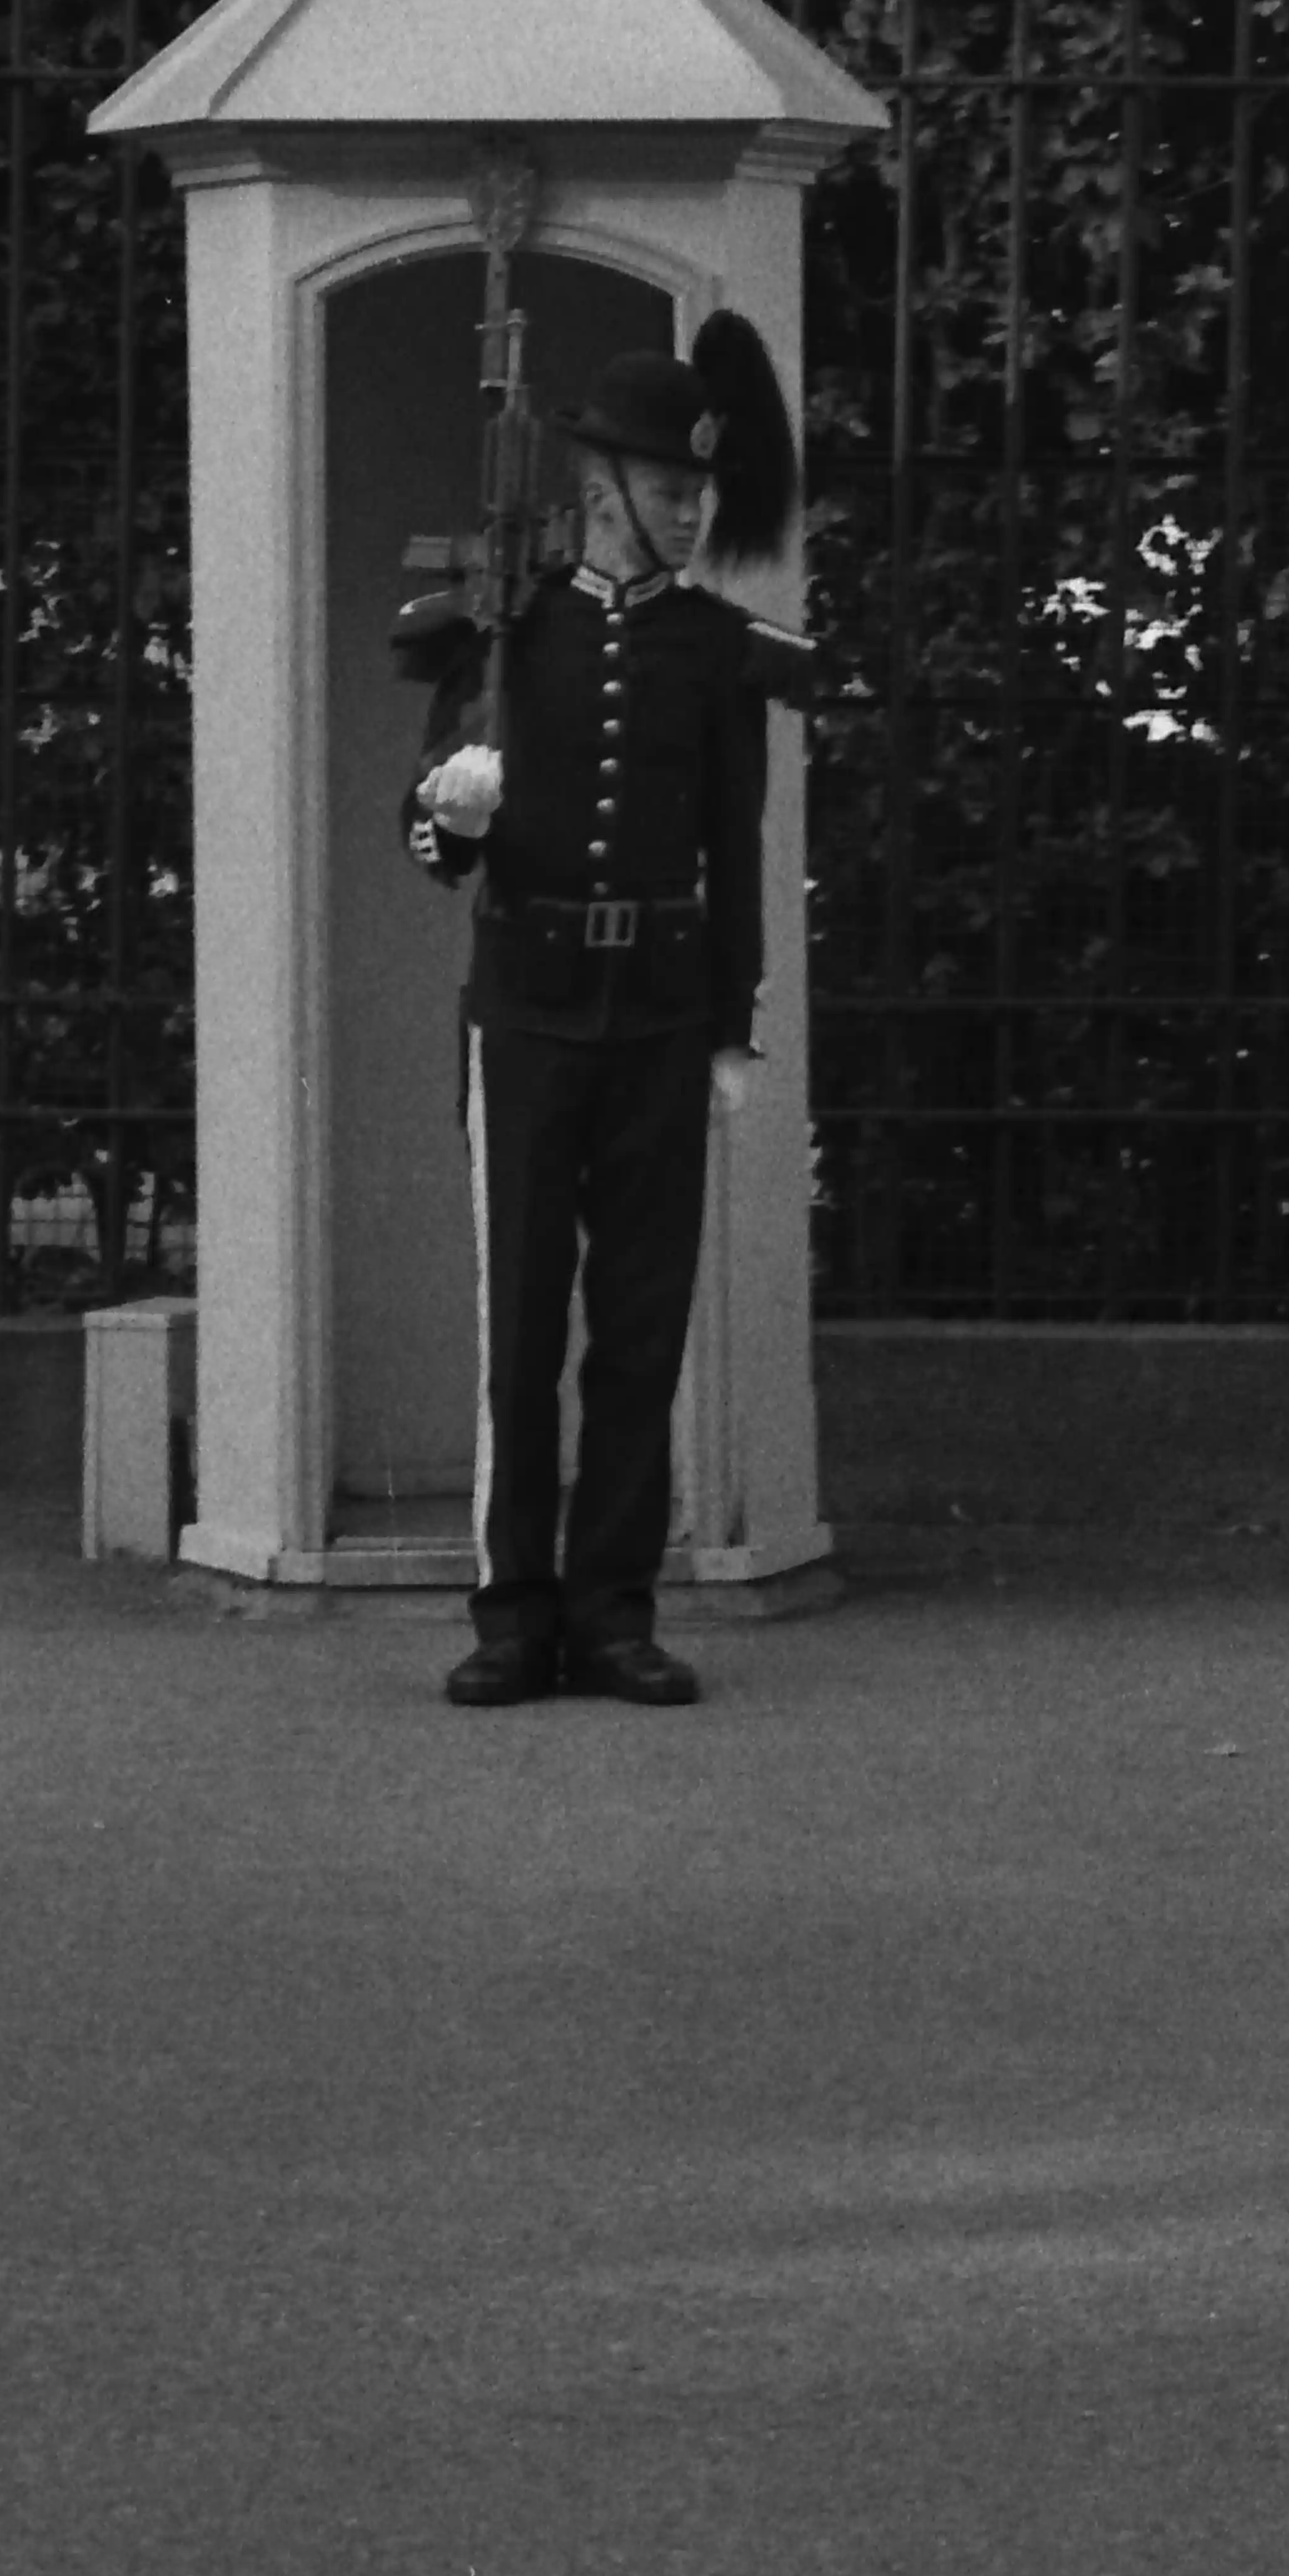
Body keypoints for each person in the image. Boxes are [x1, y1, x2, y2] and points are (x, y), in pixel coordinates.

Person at [397, 314, 809, 1708]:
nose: (693, 508)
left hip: (656, 1015)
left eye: (699, 487)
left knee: (640, 1328)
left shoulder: (711, 651)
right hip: (523, 1009)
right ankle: (512, 1613)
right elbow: (433, 832)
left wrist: (734, 1020)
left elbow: (737, 841)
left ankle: (613, 1607)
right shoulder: (504, 627)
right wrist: (447, 819)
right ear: (602, 491)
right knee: (521, 1330)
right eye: (668, 485)